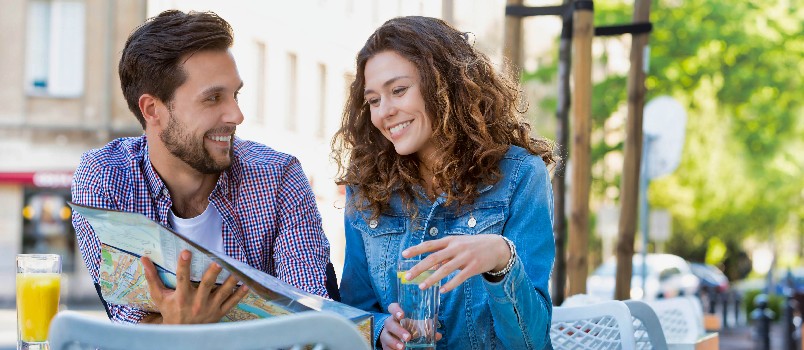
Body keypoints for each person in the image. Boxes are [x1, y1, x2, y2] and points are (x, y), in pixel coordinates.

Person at [71, 10, 331, 324]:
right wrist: (178, 328)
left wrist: (175, 324)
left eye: (235, 95)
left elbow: (309, 317)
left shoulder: (278, 176)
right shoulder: (106, 176)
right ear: (152, 109)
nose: (236, 115)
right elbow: (127, 321)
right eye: (213, 98)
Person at [332, 16, 556, 349]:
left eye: (398, 90)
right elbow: (355, 309)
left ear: (444, 85)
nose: (384, 112)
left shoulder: (520, 175)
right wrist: (379, 329)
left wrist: (501, 259)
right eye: (374, 100)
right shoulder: (367, 184)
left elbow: (530, 342)